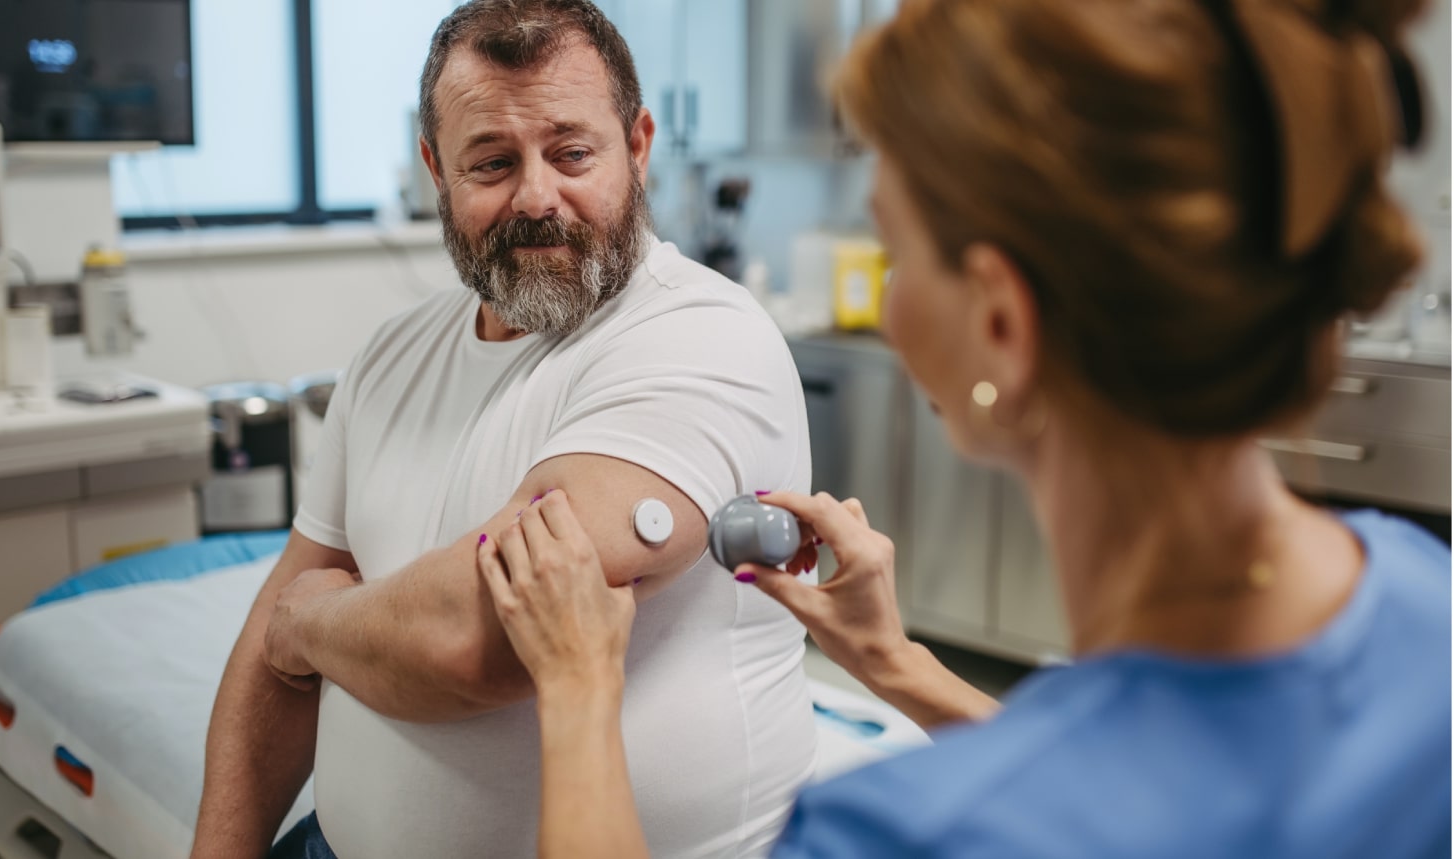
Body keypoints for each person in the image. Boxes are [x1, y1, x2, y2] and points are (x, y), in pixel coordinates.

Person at [474, 0, 1453, 856]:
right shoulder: (1423, 601)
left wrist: (576, 688)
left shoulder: (902, 834)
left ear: (1000, 325)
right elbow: (1137, 785)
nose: (890, 300)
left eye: (895, 249)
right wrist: (899, 666)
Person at [189, 2, 818, 857]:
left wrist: (308, 627)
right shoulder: (390, 356)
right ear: (435, 171)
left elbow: (483, 642)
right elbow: (274, 637)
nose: (535, 196)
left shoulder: (703, 336)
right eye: (490, 162)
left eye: (571, 153)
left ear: (637, 146)